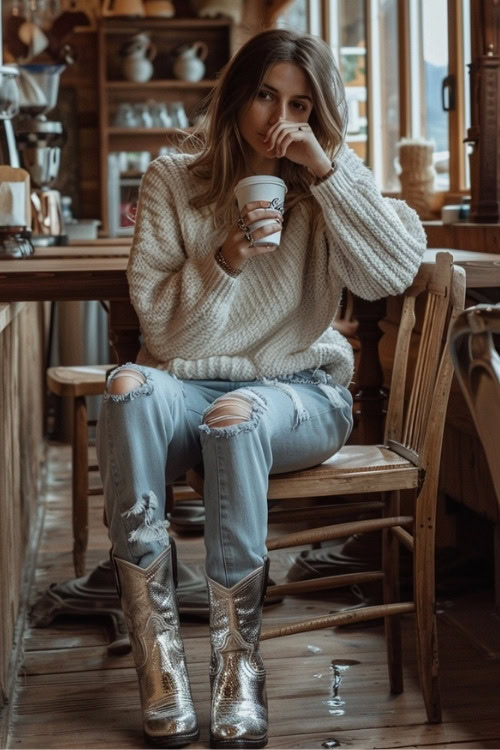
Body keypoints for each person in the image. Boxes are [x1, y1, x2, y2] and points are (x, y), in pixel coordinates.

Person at [96, 28, 426, 750]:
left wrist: (328, 170)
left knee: (235, 413)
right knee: (125, 385)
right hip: (186, 384)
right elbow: (163, 329)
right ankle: (160, 662)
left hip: (301, 394)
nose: (279, 116)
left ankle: (238, 670)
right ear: (238, 96)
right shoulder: (172, 179)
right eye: (267, 96)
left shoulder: (325, 182)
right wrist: (227, 258)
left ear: (318, 113)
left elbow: (396, 273)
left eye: (301, 104)